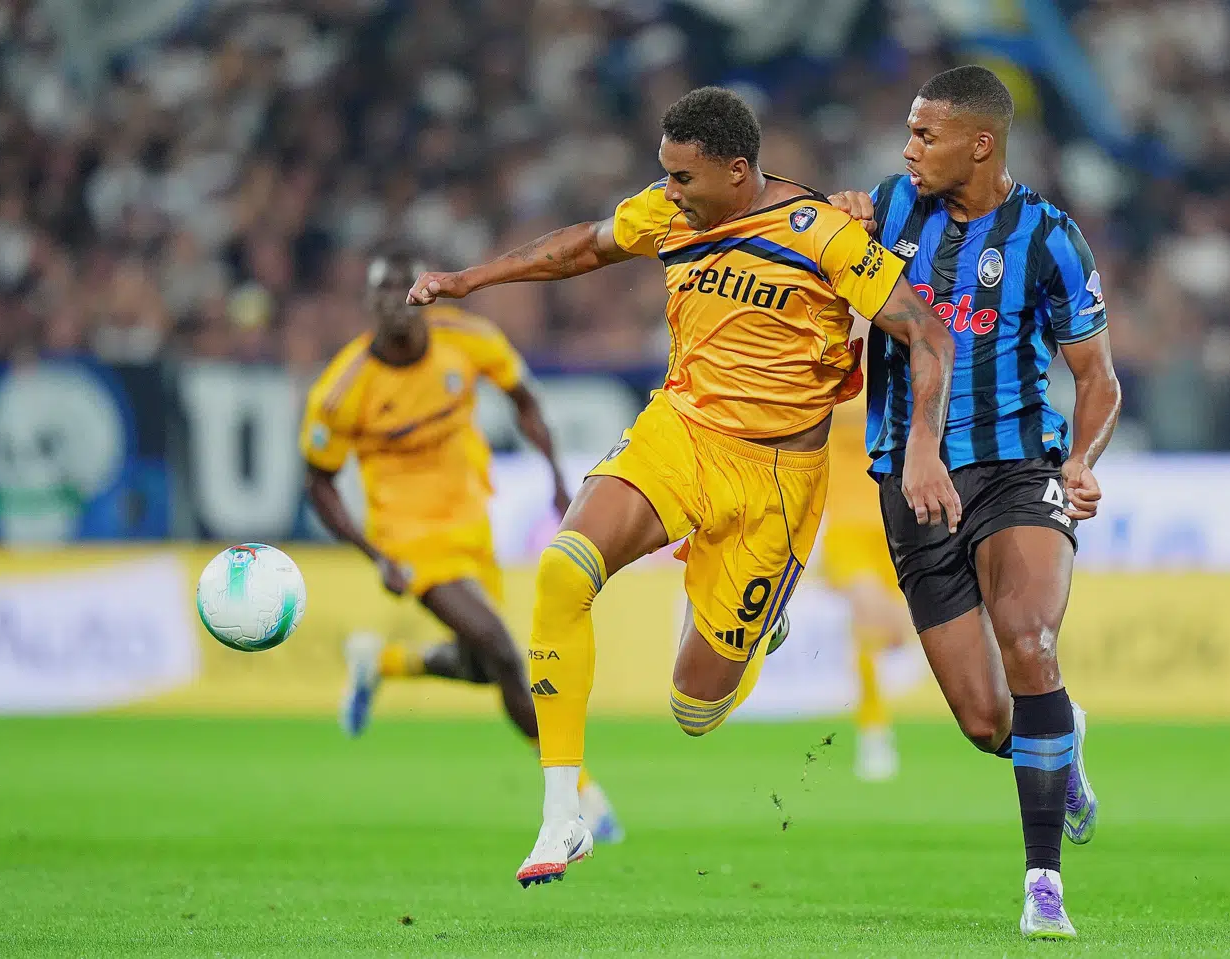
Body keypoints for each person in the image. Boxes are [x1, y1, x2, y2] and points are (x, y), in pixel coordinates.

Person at [406, 86, 959, 888]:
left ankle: (762, 615)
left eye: (683, 178)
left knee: (694, 709)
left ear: (739, 172)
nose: (668, 191)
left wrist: (923, 446)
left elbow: (925, 331)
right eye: (663, 174)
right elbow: (580, 248)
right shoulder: (670, 214)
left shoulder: (821, 233)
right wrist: (469, 280)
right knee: (565, 568)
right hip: (682, 430)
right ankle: (564, 809)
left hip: (777, 480)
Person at [830, 66, 1122, 939]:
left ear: (979, 143)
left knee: (1030, 641)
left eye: (925, 136)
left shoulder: (1050, 238)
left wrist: (1080, 460)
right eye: (910, 133)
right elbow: (825, 260)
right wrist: (834, 226)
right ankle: (1057, 748)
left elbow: (1097, 375)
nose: (908, 150)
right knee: (987, 717)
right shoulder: (887, 210)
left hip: (1014, 471)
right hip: (907, 486)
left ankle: (1043, 886)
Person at [299, 251, 622, 843]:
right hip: (409, 540)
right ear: (367, 304)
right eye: (382, 287)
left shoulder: (467, 339)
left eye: (405, 283)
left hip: (473, 525)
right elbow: (317, 481)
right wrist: (375, 555)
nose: (396, 295)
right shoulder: (343, 390)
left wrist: (553, 475)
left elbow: (523, 397)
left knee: (482, 666)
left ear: (423, 294)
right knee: (504, 654)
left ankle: (385, 661)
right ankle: (581, 799)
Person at [821, 377, 916, 782]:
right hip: (846, 529)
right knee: (865, 616)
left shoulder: (902, 373)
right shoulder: (824, 374)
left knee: (893, 634)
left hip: (895, 525)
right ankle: (874, 732)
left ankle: (876, 725)